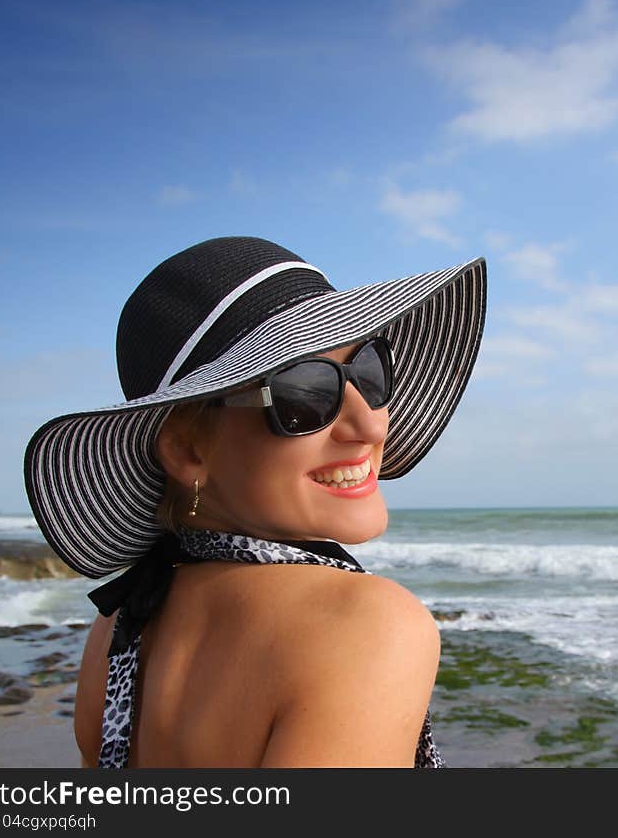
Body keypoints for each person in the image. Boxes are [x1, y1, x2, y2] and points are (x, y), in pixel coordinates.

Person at [24, 236, 487, 768]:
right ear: (187, 448)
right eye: (304, 392)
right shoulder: (363, 626)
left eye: (369, 372)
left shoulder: (121, 624)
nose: (368, 425)